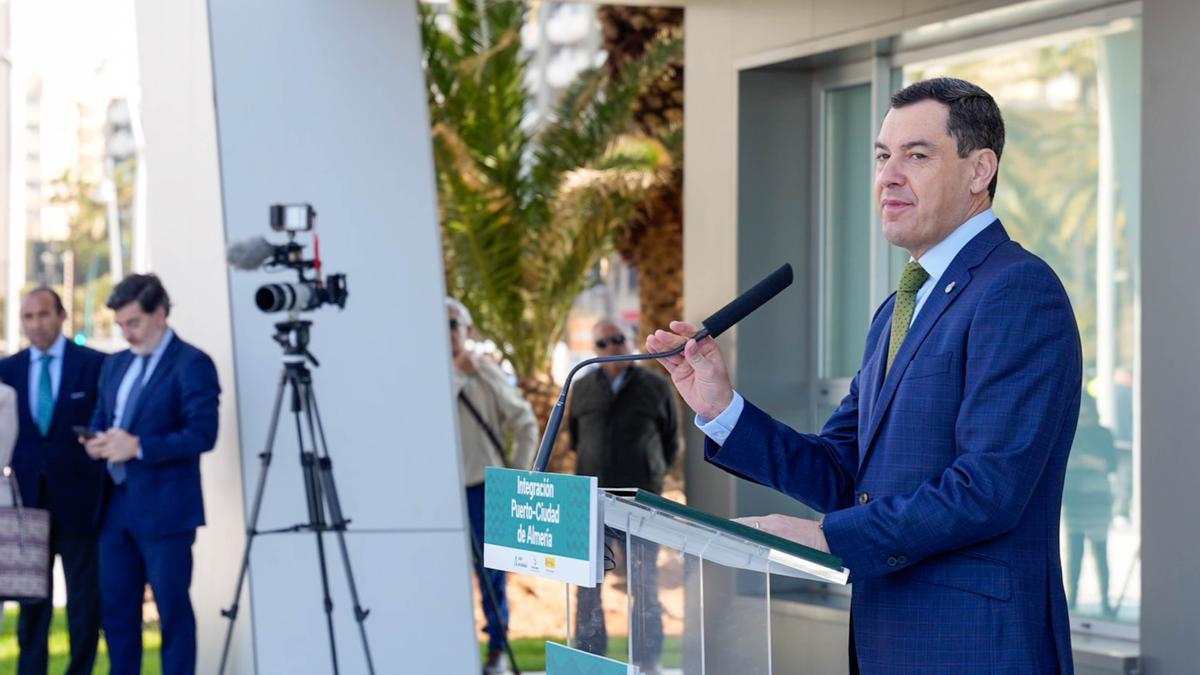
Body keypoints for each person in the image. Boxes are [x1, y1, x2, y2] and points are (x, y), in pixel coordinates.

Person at [647, 78, 1082, 673]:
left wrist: (832, 537)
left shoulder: (1017, 291)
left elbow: (989, 490)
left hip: (975, 647)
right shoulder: (900, 308)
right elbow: (845, 472)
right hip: (890, 643)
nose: (888, 176)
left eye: (917, 155)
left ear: (980, 170)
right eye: (882, 156)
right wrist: (723, 409)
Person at [82, 274, 220, 675]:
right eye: (121, 325)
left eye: (134, 323)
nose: (126, 333)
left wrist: (138, 446)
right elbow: (100, 418)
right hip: (114, 510)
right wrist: (96, 442)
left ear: (160, 314)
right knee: (118, 614)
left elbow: (202, 434)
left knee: (173, 614)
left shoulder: (192, 364)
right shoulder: (115, 364)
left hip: (167, 512)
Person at [0, 288, 106, 675]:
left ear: (62, 316)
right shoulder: (7, 370)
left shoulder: (94, 365)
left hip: (80, 504)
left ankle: (80, 668)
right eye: (27, 317)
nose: (35, 324)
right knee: (32, 604)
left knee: (83, 603)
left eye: (43, 315)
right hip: (27, 506)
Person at [568, 319, 678, 674]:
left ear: (631, 340)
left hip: (641, 504)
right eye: (603, 342)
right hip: (593, 504)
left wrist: (652, 475)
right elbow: (575, 439)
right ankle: (589, 661)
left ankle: (648, 661)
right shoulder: (581, 386)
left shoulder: (656, 386)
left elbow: (670, 442)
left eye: (619, 339)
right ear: (594, 348)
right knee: (588, 589)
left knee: (644, 585)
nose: (612, 347)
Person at [447, 298, 538, 675]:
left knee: (492, 575)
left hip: (485, 488)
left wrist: (516, 477)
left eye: (453, 324)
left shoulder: (486, 373)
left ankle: (497, 652)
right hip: (440, 495)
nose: (447, 332)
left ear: (468, 330)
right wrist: (455, 375)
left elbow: (525, 424)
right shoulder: (426, 375)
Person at [1063, 394, 1118, 618]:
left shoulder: (1103, 434)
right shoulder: (1072, 433)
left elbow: (1110, 464)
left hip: (1097, 500)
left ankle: (1106, 600)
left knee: (1100, 551)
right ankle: (1072, 600)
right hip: (1074, 499)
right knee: (1074, 552)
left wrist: (1088, 462)